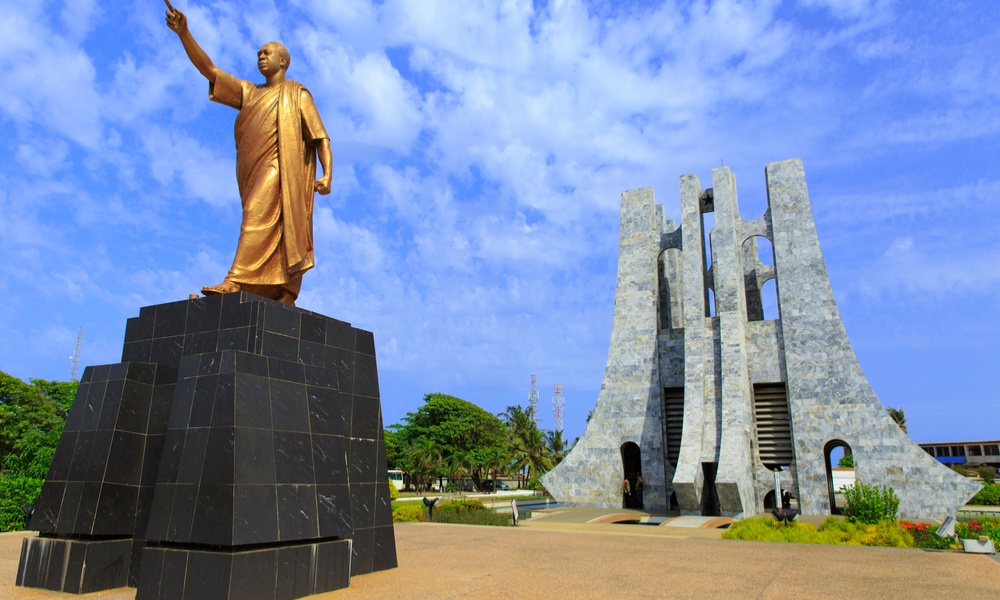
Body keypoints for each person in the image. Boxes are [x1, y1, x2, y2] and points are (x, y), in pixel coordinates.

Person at [164, 0, 333, 306]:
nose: (261, 57)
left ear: (283, 60)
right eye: (258, 54)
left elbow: (320, 137)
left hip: (282, 171)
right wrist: (184, 34)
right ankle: (270, 289)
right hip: (252, 172)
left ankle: (235, 280)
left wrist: (327, 175)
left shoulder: (297, 94)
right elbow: (210, 70)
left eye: (267, 53)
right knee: (256, 215)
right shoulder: (250, 92)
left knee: (256, 216)